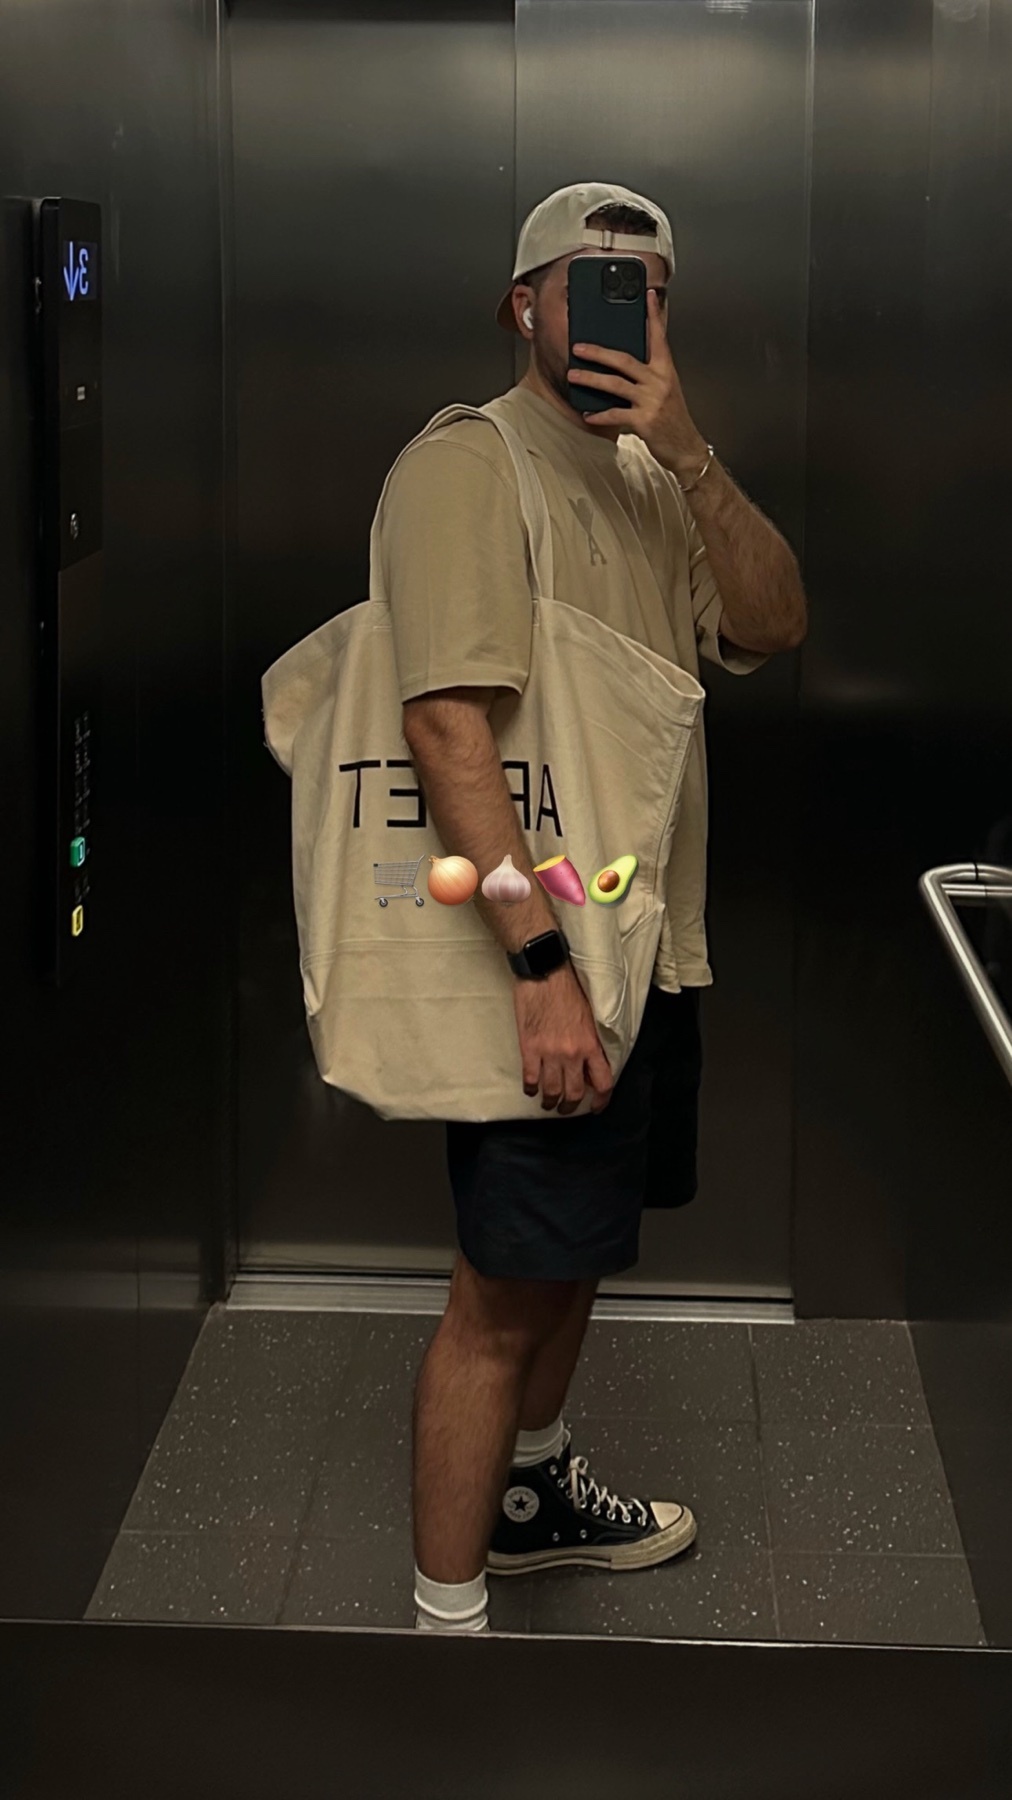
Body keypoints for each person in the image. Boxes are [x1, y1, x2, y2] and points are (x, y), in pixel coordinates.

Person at [377, 182, 808, 1634]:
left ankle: (535, 1494)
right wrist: (542, 964)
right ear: (523, 304)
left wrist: (684, 450)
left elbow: (772, 622)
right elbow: (447, 733)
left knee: (573, 1262)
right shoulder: (469, 467)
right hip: (552, 955)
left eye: (654, 292)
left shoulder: (647, 477)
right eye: (597, 280)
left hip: (648, 951)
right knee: (500, 1292)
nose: (632, 311)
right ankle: (444, 1633)